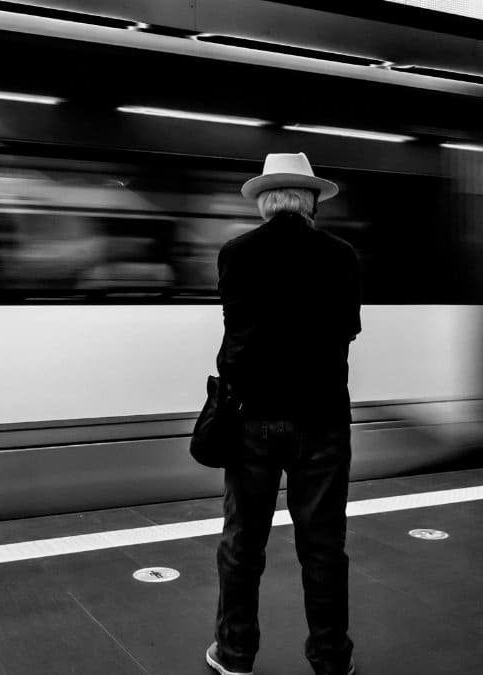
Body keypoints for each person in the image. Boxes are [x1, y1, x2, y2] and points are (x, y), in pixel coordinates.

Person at [206, 153, 361, 675]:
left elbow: (235, 343)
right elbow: (347, 332)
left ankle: (234, 654)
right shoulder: (342, 255)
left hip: (252, 420)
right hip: (322, 421)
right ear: (311, 200)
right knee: (322, 547)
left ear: (265, 203)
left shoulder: (235, 254)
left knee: (243, 543)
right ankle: (330, 657)